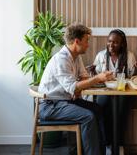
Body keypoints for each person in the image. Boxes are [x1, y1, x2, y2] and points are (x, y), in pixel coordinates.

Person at [38, 23, 114, 155]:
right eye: (86, 41)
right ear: (76, 41)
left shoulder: (76, 57)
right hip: (51, 105)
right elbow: (73, 87)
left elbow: (83, 79)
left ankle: (100, 152)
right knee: (88, 117)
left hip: (65, 101)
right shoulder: (61, 60)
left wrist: (96, 80)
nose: (88, 45)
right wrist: (97, 79)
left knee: (98, 110)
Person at [92, 29, 137, 146]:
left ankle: (118, 144)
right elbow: (95, 78)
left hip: (123, 92)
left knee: (120, 111)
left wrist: (136, 70)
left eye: (115, 42)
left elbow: (133, 79)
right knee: (102, 106)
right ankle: (107, 143)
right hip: (105, 91)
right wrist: (92, 72)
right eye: (109, 41)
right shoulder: (100, 56)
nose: (111, 45)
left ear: (122, 44)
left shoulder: (129, 56)